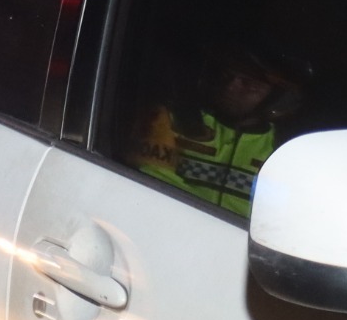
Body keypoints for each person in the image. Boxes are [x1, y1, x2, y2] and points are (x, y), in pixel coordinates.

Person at [127, 44, 308, 218]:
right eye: (227, 76)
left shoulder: (283, 152)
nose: (230, 87)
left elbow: (282, 218)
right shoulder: (173, 120)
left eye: (248, 83)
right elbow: (151, 181)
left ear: (278, 98)